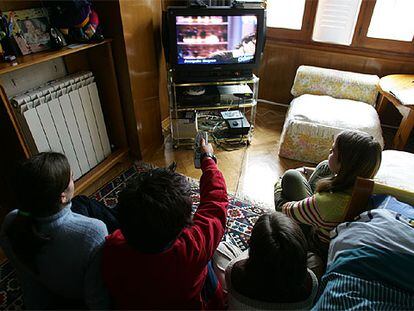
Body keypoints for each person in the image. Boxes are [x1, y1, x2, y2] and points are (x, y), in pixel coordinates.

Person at [102, 138, 228, 309]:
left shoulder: (111, 247)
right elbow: (215, 204)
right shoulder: (194, 247)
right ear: (183, 224)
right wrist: (208, 159)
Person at [0, 152, 110, 309]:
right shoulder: (92, 232)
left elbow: (26, 277)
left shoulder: (12, 221)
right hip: (75, 298)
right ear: (62, 196)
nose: (74, 178)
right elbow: (96, 295)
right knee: (90, 206)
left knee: (82, 202)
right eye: (71, 178)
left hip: (42, 295)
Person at [274, 130, 382, 259]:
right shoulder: (373, 189)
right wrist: (307, 171)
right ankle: (310, 209)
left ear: (343, 163)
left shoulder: (327, 202)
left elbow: (285, 210)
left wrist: (279, 184)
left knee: (290, 176)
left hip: (316, 244)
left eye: (332, 151)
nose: (329, 152)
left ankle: (309, 209)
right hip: (328, 221)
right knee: (324, 166)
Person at [219, 212, 318, 310]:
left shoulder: (233, 272)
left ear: (251, 245)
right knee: (315, 260)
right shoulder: (312, 283)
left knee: (221, 248)